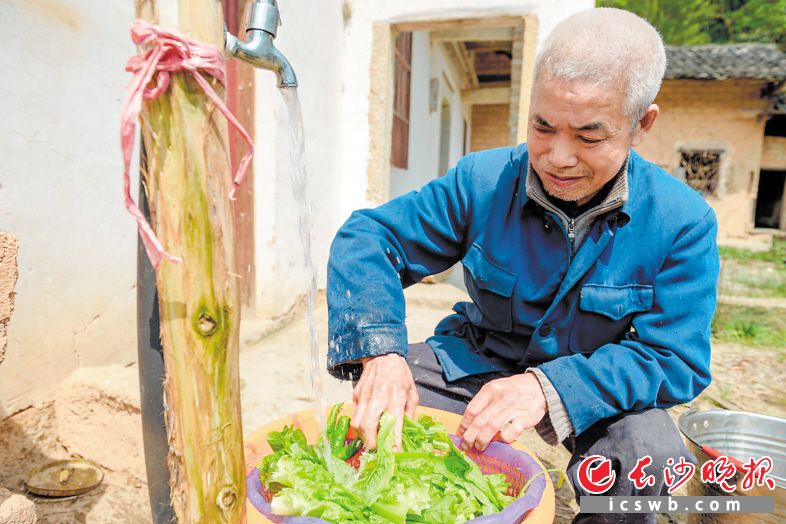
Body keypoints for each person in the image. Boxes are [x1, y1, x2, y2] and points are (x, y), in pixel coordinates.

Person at [326, 7, 719, 522]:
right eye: (543, 126)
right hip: (478, 359)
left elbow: (674, 359)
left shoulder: (682, 221)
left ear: (641, 124)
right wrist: (379, 354)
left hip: (600, 387)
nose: (557, 156)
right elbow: (371, 237)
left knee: (649, 456)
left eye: (589, 136)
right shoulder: (482, 180)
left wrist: (550, 388)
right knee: (373, 415)